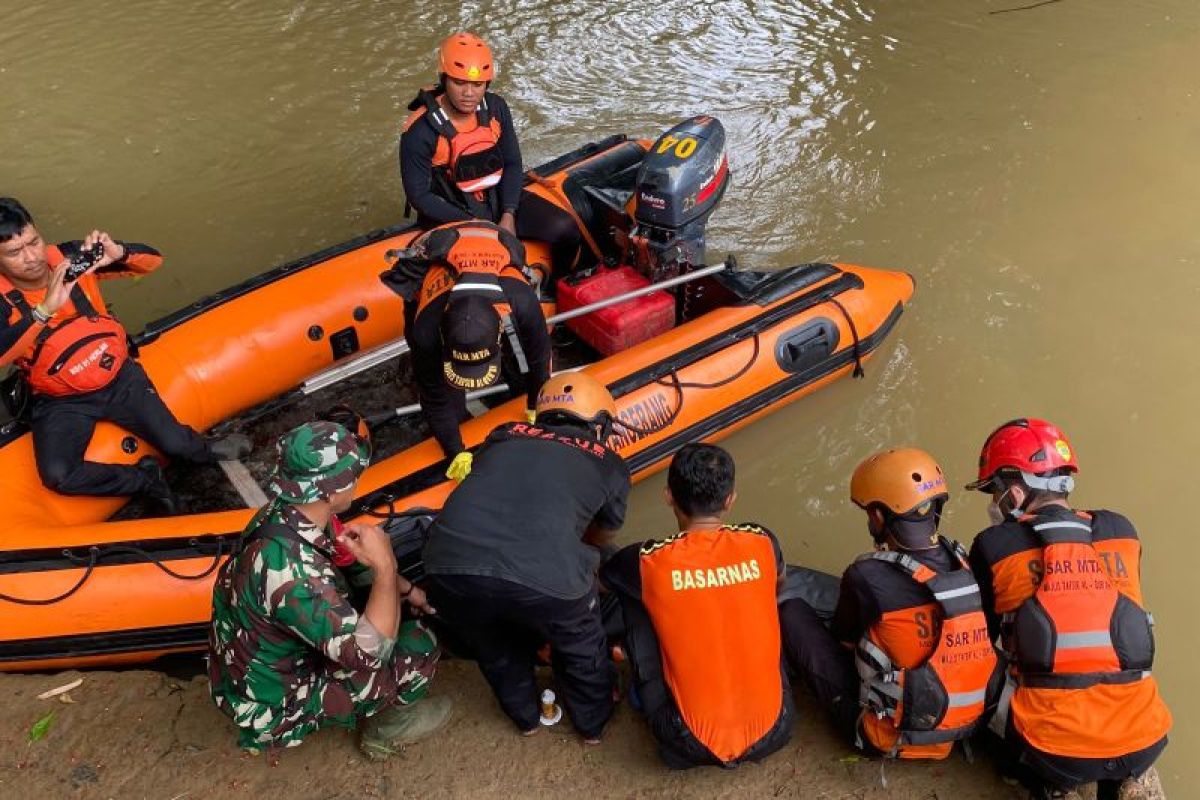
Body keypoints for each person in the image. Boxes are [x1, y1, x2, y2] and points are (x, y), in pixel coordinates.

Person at [208, 420, 450, 759]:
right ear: (329, 492)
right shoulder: (296, 574)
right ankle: (388, 729)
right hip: (271, 704)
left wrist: (407, 591)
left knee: (375, 604)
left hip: (245, 669)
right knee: (420, 645)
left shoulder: (278, 518)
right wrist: (386, 569)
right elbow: (368, 655)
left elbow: (339, 567)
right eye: (352, 477)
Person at [965, 419, 1170, 800]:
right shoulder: (1122, 530)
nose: (993, 505)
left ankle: (1026, 775)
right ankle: (1130, 778)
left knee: (970, 652)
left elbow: (981, 638)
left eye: (993, 493)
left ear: (1012, 492)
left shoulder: (994, 545)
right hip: (1145, 738)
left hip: (1054, 752)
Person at [0, 197, 248, 512]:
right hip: (61, 398)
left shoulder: (72, 257)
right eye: (14, 252)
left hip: (118, 375)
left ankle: (205, 449)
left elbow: (154, 260)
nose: (32, 257)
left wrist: (120, 252)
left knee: (174, 443)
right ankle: (145, 480)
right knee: (59, 476)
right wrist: (44, 310)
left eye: (33, 242)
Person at [421, 372, 630, 742]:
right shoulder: (609, 463)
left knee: (494, 648)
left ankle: (527, 720)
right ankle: (592, 725)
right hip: (544, 577)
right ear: (599, 424)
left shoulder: (503, 434)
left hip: (446, 565)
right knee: (582, 645)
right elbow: (601, 536)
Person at [780, 448, 999, 760]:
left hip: (889, 737)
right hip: (963, 726)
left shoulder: (868, 574)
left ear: (878, 516)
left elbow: (845, 639)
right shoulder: (966, 562)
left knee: (793, 613)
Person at [600, 443, 795, 769]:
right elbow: (778, 585)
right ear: (730, 499)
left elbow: (600, 584)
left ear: (668, 497)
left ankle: (642, 689)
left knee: (633, 596)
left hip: (686, 739)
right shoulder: (762, 541)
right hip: (778, 727)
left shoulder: (646, 559)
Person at [399, 32, 583, 273]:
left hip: (497, 198)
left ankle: (557, 287)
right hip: (452, 211)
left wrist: (508, 213)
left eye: (477, 84)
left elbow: (512, 163)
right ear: (444, 79)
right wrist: (475, 226)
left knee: (566, 229)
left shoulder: (496, 108)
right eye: (459, 82)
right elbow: (419, 196)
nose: (469, 93)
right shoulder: (420, 131)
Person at [380, 219, 550, 475]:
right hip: (432, 251)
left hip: (489, 240)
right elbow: (433, 396)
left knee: (522, 366)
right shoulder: (426, 328)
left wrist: (538, 406)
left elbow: (539, 359)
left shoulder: (521, 302)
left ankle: (515, 390)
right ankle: (456, 415)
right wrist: (455, 452)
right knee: (444, 393)